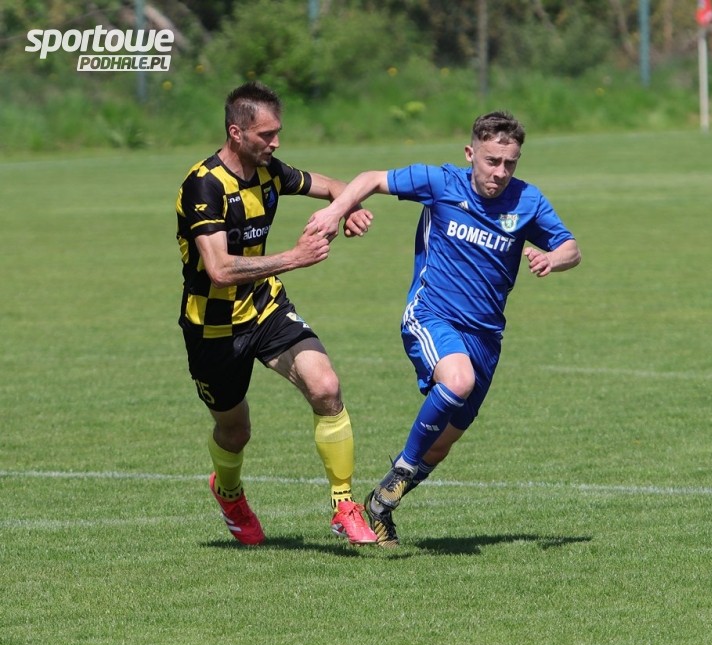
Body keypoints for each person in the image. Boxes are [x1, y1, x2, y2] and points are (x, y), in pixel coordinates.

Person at [306, 110, 582, 547]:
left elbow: (571, 247)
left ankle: (381, 504)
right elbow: (372, 178)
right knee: (458, 380)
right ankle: (401, 470)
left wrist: (552, 258)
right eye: (492, 161)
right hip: (431, 315)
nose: (500, 172)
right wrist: (336, 210)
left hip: (486, 336)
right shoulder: (440, 183)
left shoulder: (527, 201)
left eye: (510, 163)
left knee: (440, 446)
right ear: (471, 153)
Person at [175, 81, 378, 546]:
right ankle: (229, 494)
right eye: (266, 135)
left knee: (325, 386)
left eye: (277, 132)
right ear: (236, 132)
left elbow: (330, 185)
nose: (276, 143)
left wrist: (345, 208)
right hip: (213, 326)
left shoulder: (269, 171)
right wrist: (294, 257)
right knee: (235, 431)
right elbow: (219, 269)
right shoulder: (204, 184)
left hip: (265, 307)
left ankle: (344, 505)